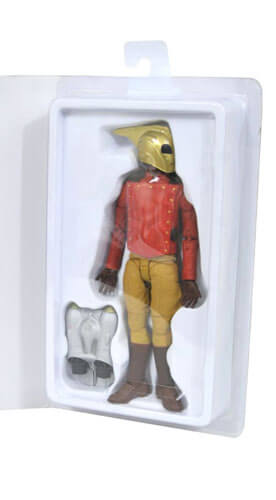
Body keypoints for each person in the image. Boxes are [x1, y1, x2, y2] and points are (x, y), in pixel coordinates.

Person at [97, 121, 201, 412]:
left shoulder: (177, 190)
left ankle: (165, 383)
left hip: (165, 264)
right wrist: (111, 266)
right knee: (136, 324)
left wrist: (188, 278)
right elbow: (118, 229)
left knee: (162, 324)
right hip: (135, 263)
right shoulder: (130, 187)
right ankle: (136, 381)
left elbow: (189, 236)